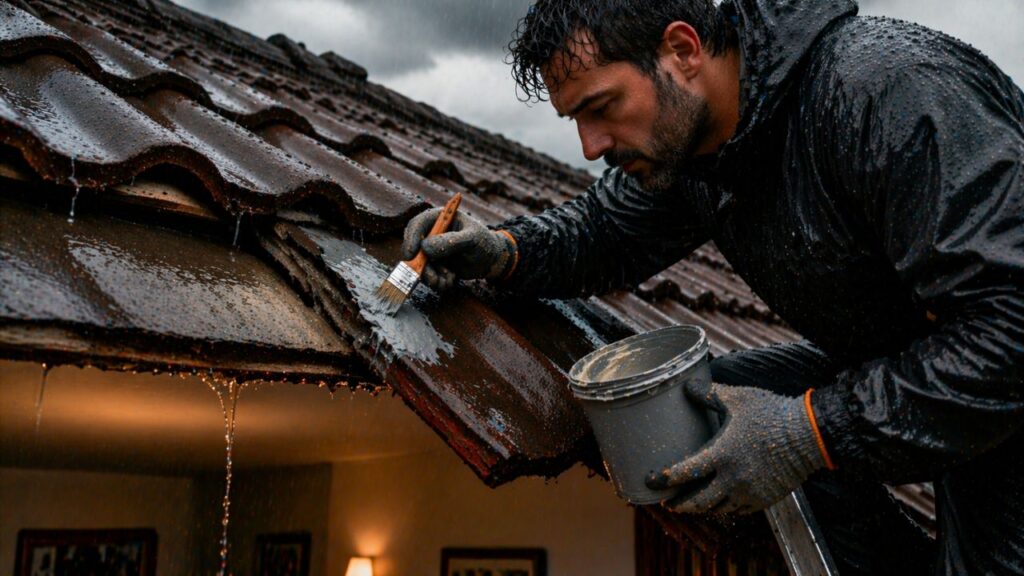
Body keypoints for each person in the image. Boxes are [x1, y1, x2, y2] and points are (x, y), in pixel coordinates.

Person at [400, 1, 1024, 574]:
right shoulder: (697, 147)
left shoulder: (885, 92)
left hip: (1001, 380)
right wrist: (502, 252)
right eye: (575, 120)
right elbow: (603, 231)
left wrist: (809, 432)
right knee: (710, 408)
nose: (590, 146)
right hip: (925, 370)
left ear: (682, 50)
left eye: (602, 107)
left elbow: (1010, 329)